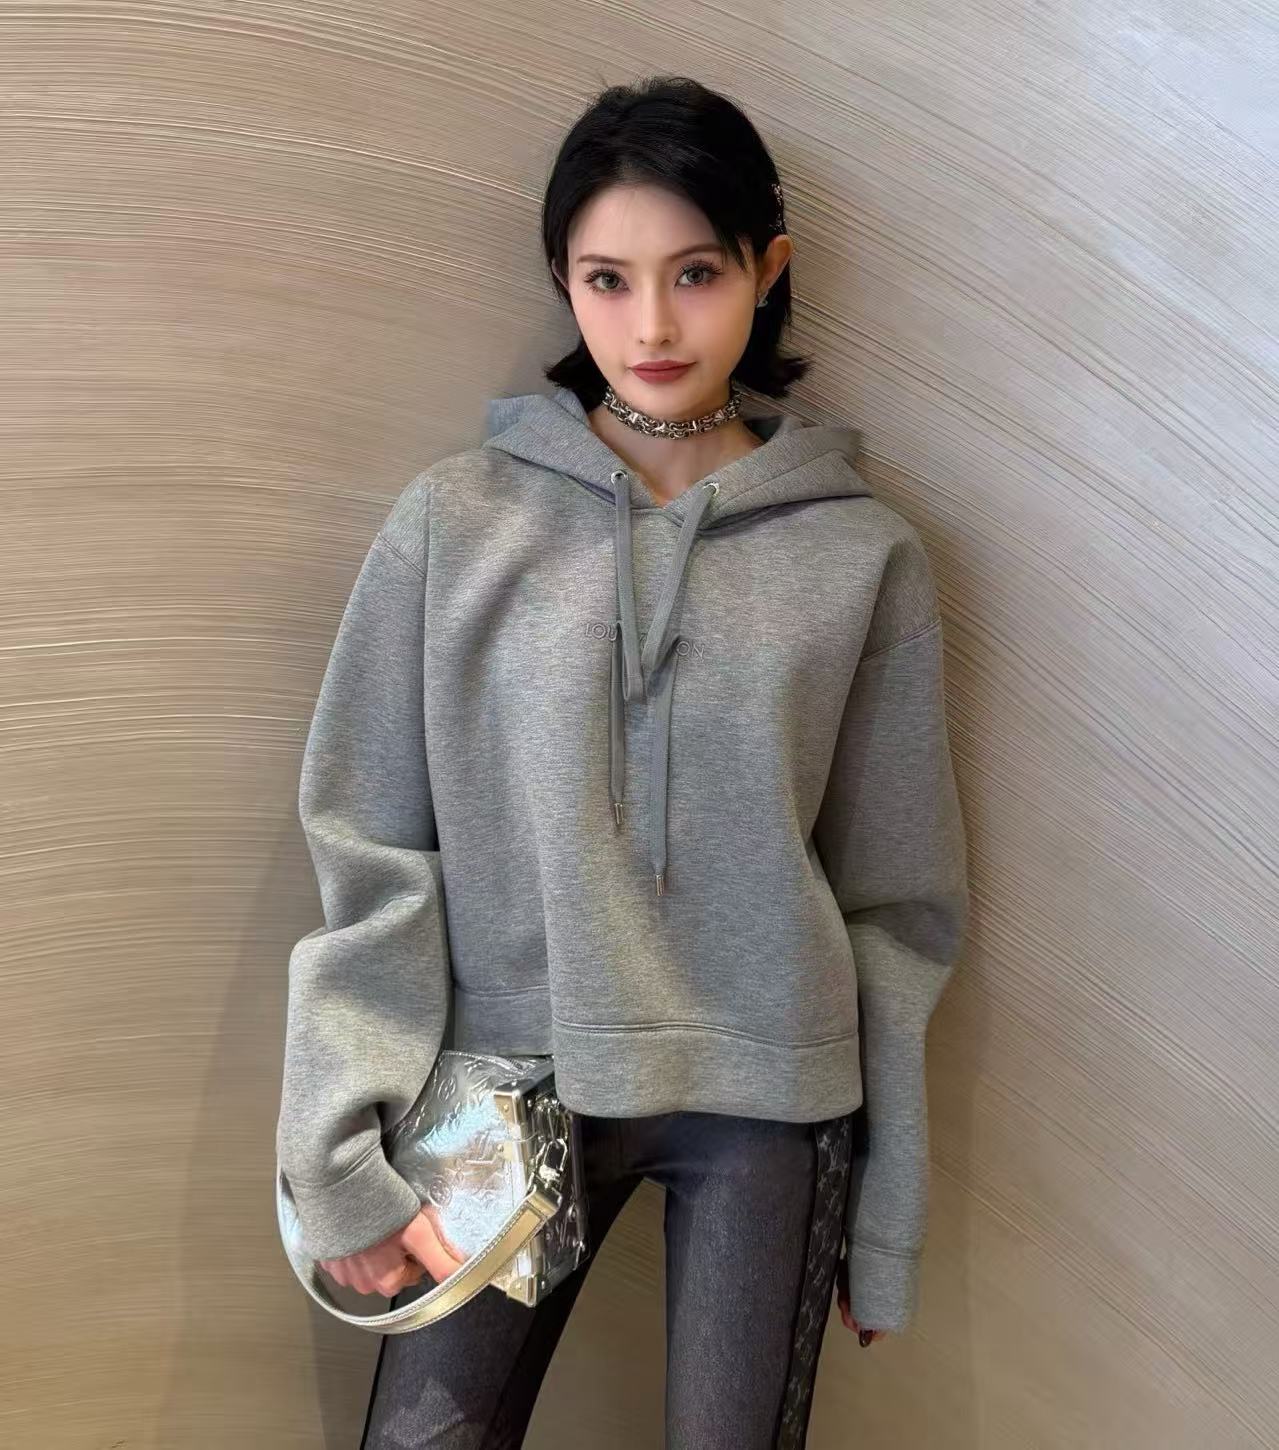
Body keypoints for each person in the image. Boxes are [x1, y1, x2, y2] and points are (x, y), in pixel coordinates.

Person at [276, 74, 970, 1449]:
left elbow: (899, 906)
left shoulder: (861, 553)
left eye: (696, 273)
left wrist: (884, 1215)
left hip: (771, 1092)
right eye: (608, 279)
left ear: (767, 269)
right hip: (504, 1081)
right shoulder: (456, 523)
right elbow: (370, 841)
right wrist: (334, 1146)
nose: (651, 326)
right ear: (564, 282)